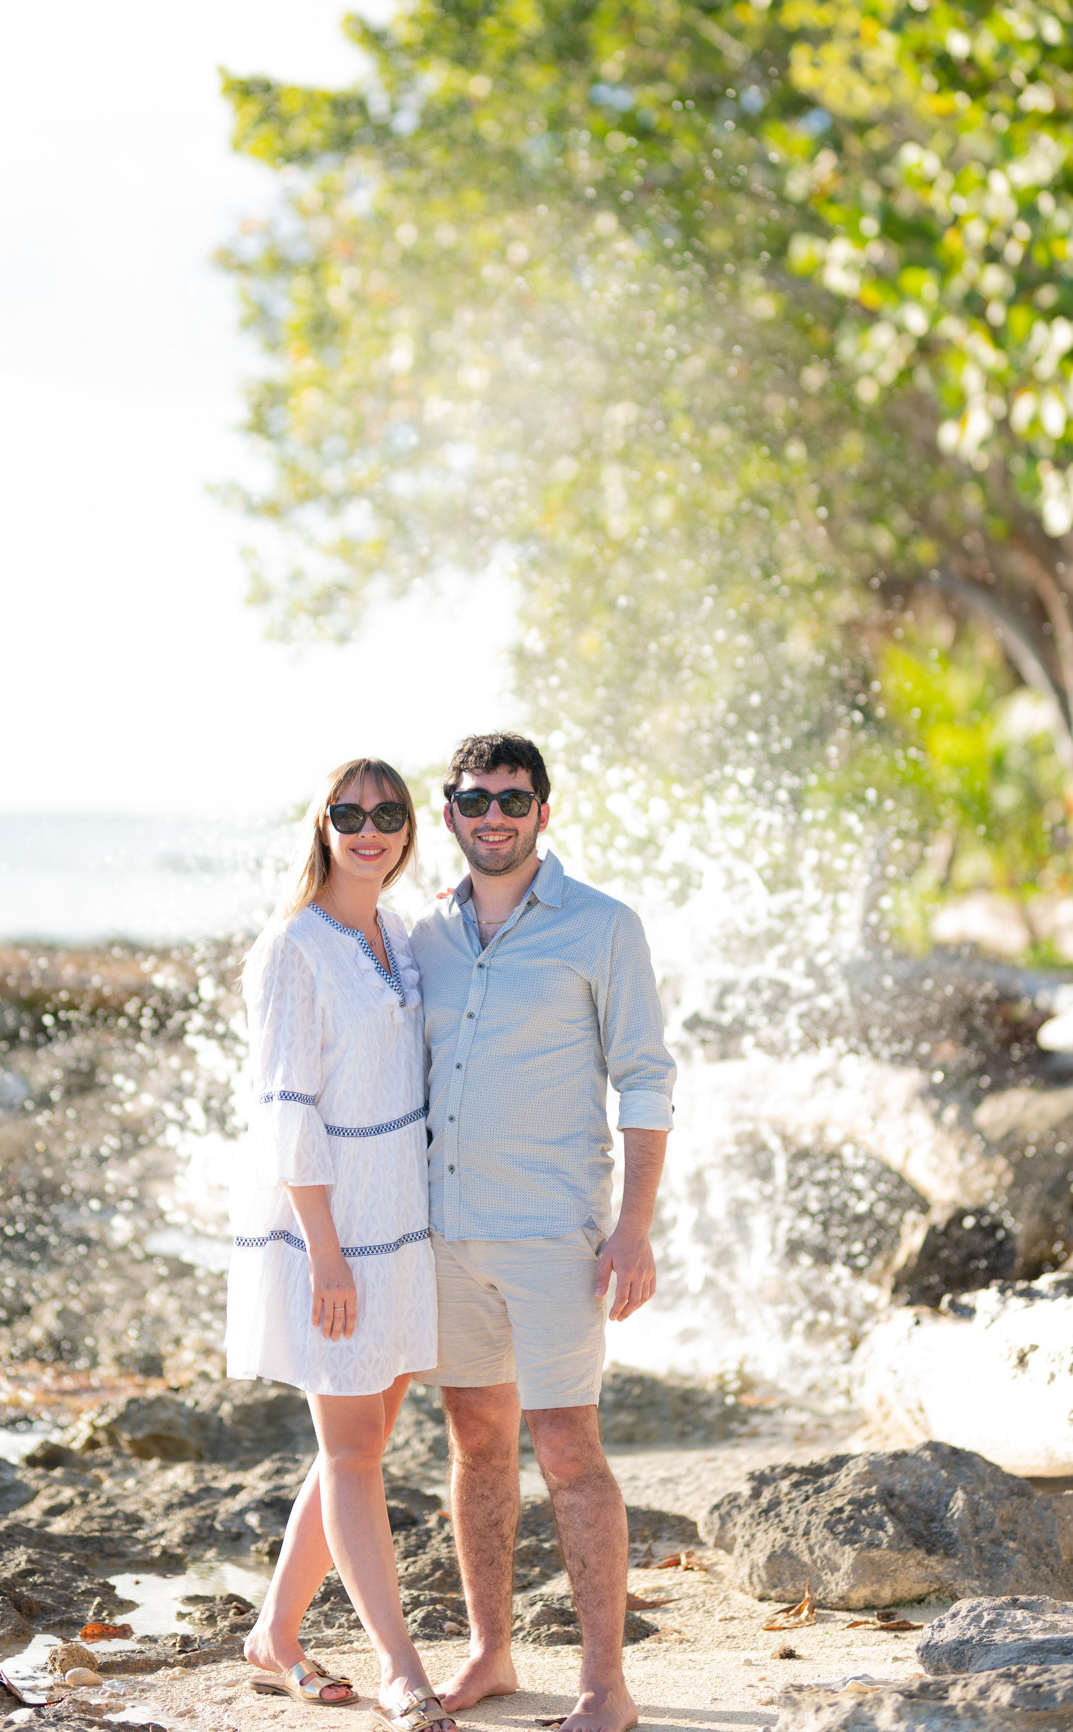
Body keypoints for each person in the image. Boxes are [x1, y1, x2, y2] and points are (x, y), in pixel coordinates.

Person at [409, 731, 676, 1732]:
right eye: (474, 799)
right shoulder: (420, 933)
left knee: (565, 1444)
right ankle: (490, 1647)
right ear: (449, 813)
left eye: (511, 799)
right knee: (476, 1438)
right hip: (446, 1234)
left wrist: (632, 1229)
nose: (493, 815)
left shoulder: (602, 924)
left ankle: (606, 1682)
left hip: (550, 1232)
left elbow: (644, 1075)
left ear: (542, 811)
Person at [225, 757, 454, 1732]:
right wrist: (324, 1250)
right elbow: (287, 1110)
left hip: (398, 1222)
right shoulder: (293, 945)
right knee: (353, 1447)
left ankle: (274, 1637)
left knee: (356, 1442)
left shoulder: (393, 932)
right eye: (348, 812)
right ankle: (400, 1667)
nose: (369, 828)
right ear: (320, 823)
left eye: (387, 812)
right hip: (331, 1230)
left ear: (407, 826)